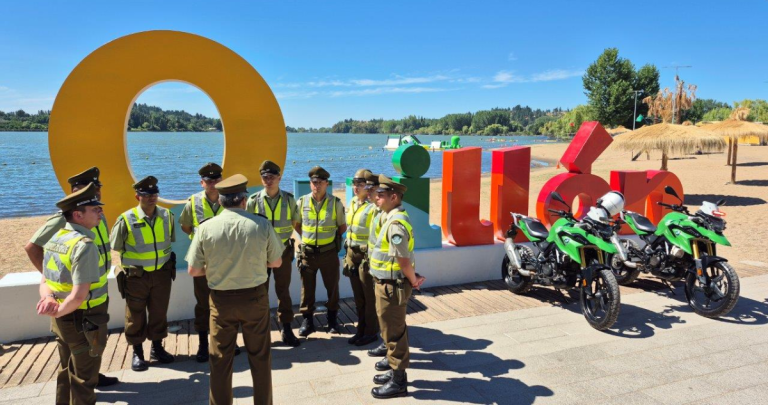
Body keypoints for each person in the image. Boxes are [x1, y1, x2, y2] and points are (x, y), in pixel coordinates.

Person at [187, 174, 283, 405]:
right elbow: (276, 263)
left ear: (220, 201)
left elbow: (193, 271)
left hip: (221, 302)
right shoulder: (261, 224)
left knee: (219, 361)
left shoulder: (206, 228)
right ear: (244, 200)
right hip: (254, 299)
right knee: (260, 358)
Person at [24, 167, 119, 388]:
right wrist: (58, 285)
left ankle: (92, 375)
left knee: (90, 350)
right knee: (77, 357)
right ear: (76, 192)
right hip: (78, 298)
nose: (97, 194)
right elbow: (33, 248)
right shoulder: (66, 221)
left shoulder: (96, 215)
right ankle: (86, 380)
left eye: (97, 188)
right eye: (91, 190)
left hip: (95, 292)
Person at [36, 183, 111, 404]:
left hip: (62, 319)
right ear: (78, 215)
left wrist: (50, 300)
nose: (100, 212)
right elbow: (79, 295)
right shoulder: (84, 245)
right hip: (84, 319)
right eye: (95, 209)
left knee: (67, 372)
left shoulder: (56, 239)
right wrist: (61, 311)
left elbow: (44, 280)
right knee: (84, 379)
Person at [368, 175, 425, 399]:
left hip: (392, 286)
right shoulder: (392, 217)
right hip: (387, 283)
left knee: (394, 333)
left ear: (393, 197)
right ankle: (394, 372)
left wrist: (413, 279)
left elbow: (402, 259)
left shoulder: (396, 224)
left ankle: (399, 381)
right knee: (391, 329)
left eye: (381, 196)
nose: (376, 198)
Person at [110, 176, 176, 372]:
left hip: (162, 274)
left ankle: (157, 348)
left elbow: (170, 239)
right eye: (147, 195)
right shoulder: (126, 219)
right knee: (135, 315)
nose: (152, 198)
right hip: (136, 277)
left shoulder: (167, 216)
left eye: (154, 194)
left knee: (159, 312)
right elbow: (116, 246)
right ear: (137, 196)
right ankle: (137, 352)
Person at [246, 160, 301, 347]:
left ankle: (286, 329)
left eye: (272, 177)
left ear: (279, 177)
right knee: (259, 292)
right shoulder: (253, 201)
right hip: (260, 253)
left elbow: (296, 223)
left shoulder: (289, 199)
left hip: (283, 251)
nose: (268, 180)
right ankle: (261, 332)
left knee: (283, 291)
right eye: (264, 177)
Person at [179, 162, 226, 362]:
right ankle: (202, 345)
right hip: (203, 262)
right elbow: (186, 226)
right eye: (209, 180)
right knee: (203, 305)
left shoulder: (228, 200)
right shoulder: (193, 202)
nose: (213, 183)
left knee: (226, 304)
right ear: (202, 183)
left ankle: (225, 342)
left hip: (226, 262)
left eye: (216, 180)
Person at [294, 166, 347, 337]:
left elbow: (342, 227)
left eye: (320, 182)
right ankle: (308, 321)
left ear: (326, 184)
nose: (317, 185)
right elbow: (297, 224)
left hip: (328, 253)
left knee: (332, 287)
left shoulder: (335, 203)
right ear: (310, 184)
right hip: (307, 253)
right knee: (307, 289)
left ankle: (332, 320)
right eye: (314, 182)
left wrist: (326, 240)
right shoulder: (302, 202)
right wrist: (308, 238)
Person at [344, 169, 379, 347]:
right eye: (354, 183)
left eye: (360, 184)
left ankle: (371, 331)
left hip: (366, 256)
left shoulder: (374, 207)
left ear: (369, 186)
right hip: (352, 254)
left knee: (369, 296)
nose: (356, 187)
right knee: (358, 296)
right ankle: (361, 328)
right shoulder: (352, 202)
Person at [364, 171, 388, 359]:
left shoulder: (386, 214)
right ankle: (385, 342)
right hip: (376, 268)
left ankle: (390, 349)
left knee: (389, 314)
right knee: (381, 310)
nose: (369, 194)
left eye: (372, 190)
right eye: (368, 190)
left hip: (388, 272)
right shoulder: (373, 210)